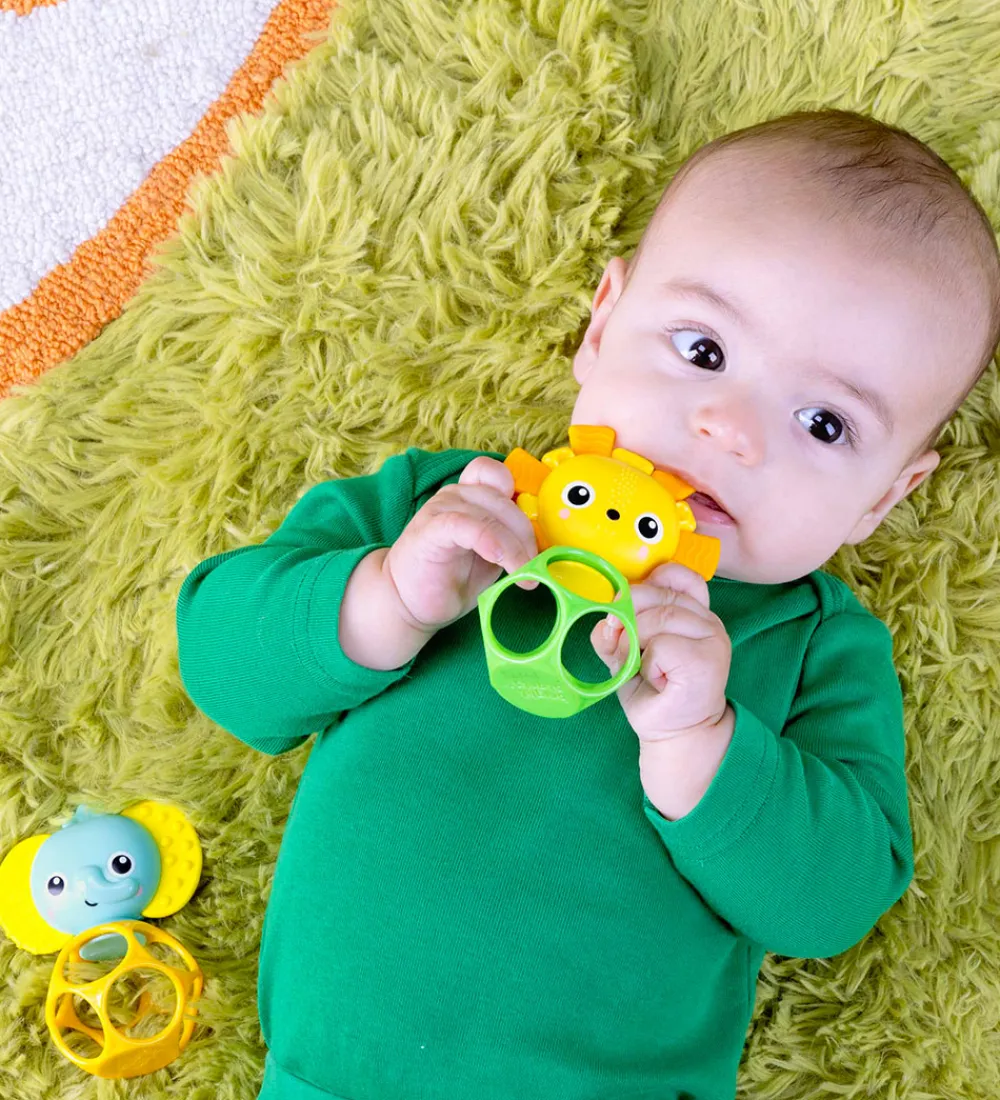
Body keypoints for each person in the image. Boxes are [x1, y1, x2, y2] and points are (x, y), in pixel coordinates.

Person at [176, 108, 1000, 1100]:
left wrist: (701, 741)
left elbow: (831, 904)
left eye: (824, 422)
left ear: (882, 498)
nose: (730, 428)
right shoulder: (451, 506)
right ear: (601, 326)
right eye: (703, 350)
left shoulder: (815, 644)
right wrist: (386, 597)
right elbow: (218, 663)